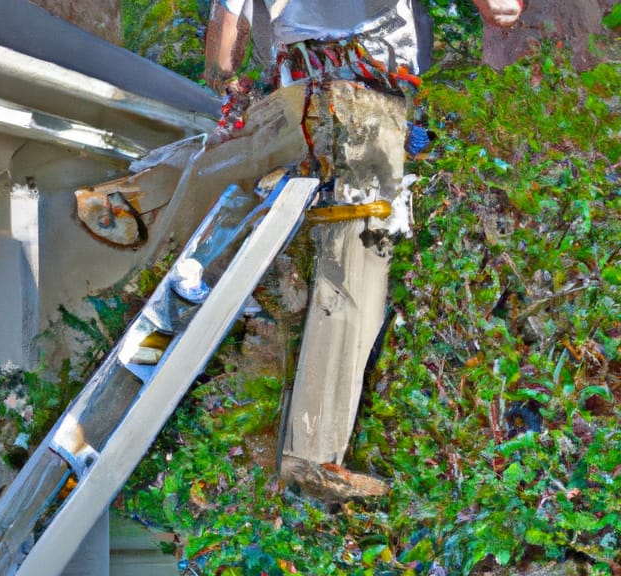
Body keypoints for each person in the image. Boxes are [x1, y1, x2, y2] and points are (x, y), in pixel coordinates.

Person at [203, 0, 522, 489]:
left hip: (295, 96)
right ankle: (312, 456)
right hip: (365, 101)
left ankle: (254, 446)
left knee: (293, 262)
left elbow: (224, 50)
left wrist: (231, 86)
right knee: (356, 266)